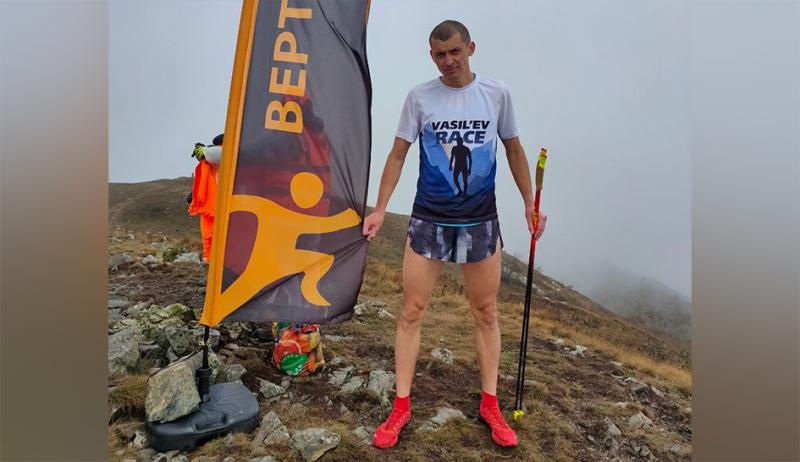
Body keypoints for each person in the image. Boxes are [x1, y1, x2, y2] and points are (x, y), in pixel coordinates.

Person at [362, 20, 547, 449]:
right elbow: (398, 153)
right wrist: (380, 209)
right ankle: (401, 406)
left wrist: (529, 203)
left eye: (455, 52)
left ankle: (490, 404)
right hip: (429, 218)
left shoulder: (497, 94)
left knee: (485, 312)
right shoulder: (419, 97)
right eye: (440, 55)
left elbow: (514, 149)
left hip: (480, 220)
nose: (448, 61)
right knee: (412, 310)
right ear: (432, 56)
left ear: (470, 48)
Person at [189, 134, 224, 262]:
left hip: (216, 208)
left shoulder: (232, 152)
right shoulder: (212, 163)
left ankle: (211, 262)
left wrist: (205, 151)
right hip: (216, 207)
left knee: (212, 238)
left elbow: (220, 153)